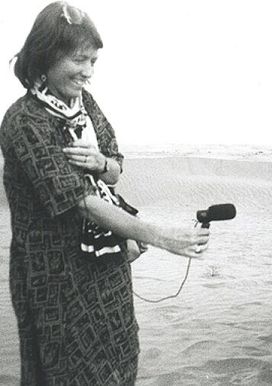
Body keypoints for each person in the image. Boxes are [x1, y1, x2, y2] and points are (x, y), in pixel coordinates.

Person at [0, 2, 210, 385]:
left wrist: (100, 163)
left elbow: (115, 166)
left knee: (118, 358)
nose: (88, 72)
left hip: (105, 269)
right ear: (47, 54)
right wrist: (160, 236)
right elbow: (81, 202)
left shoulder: (84, 105)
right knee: (66, 370)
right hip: (57, 279)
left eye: (94, 61)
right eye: (80, 60)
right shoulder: (23, 121)